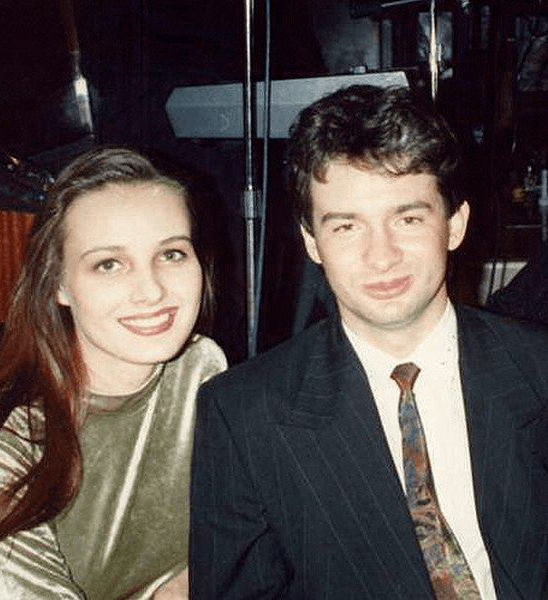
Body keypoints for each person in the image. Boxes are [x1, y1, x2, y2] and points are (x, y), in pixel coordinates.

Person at [189, 85, 548, 599]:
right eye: (346, 227)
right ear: (312, 241)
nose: (381, 256)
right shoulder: (243, 415)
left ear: (454, 225)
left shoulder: (537, 368)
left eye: (408, 218)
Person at [0, 147, 227, 599]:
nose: (152, 290)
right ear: (58, 284)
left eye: (172, 254)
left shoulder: (201, 367)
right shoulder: (0, 447)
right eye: (109, 264)